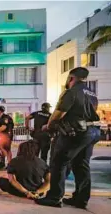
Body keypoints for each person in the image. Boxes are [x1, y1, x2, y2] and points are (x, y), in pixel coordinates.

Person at [36, 67, 101, 209]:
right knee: (81, 164)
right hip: (92, 132)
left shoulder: (71, 92)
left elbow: (58, 114)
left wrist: (48, 126)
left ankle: (54, 197)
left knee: (59, 162)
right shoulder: (92, 93)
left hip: (77, 132)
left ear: (71, 78)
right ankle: (81, 199)